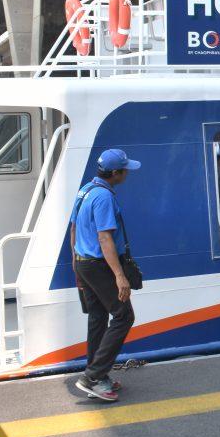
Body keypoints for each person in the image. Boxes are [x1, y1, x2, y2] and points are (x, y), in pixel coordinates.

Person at [69, 148, 141, 402]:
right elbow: (104, 237)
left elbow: (74, 228)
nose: (127, 173)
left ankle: (96, 376)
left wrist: (75, 262)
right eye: (125, 170)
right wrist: (120, 276)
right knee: (123, 315)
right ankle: (92, 377)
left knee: (98, 318)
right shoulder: (103, 198)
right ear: (115, 173)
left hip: (84, 263)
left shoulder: (85, 190)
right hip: (99, 265)